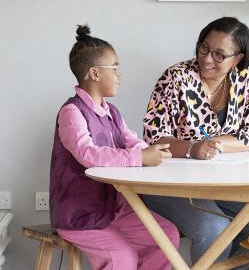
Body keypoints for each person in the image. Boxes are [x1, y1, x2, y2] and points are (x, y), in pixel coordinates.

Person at [142, 17, 249, 265]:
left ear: (237, 58)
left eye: (218, 55)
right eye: (203, 48)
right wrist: (194, 148)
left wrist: (213, 145)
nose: (206, 59)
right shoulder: (176, 77)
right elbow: (154, 138)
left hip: (222, 183)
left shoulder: (243, 80)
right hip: (170, 185)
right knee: (215, 229)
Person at [50, 25, 178, 269]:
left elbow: (131, 140)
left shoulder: (112, 112)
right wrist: (139, 158)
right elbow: (88, 154)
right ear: (95, 74)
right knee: (121, 258)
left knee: (166, 236)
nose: (120, 76)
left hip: (114, 208)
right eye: (115, 69)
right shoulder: (72, 112)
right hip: (80, 213)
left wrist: (152, 152)